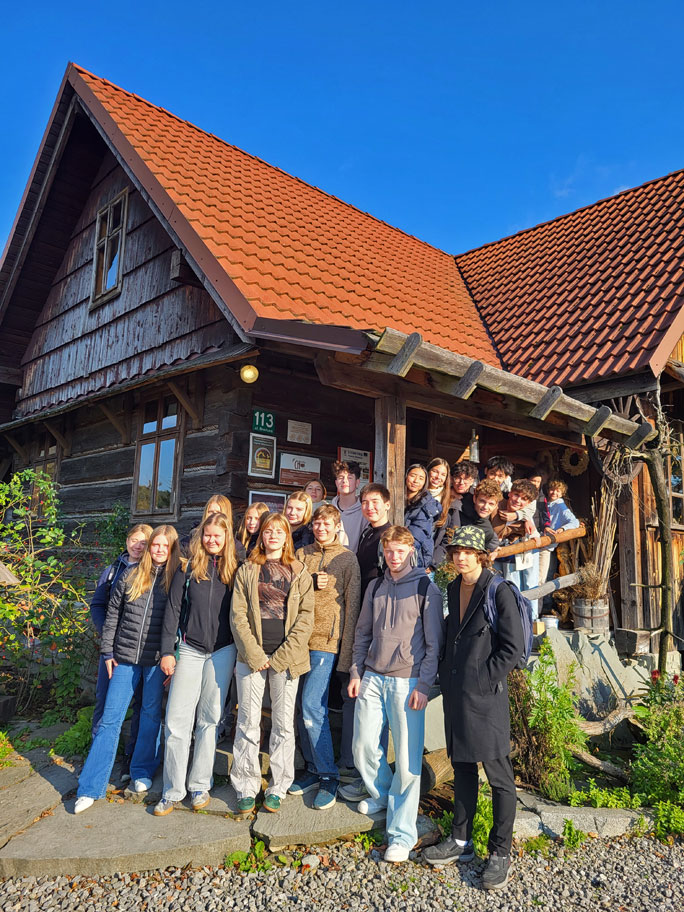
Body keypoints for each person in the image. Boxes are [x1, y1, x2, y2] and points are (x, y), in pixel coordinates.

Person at [423, 526, 524, 891]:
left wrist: (482, 679)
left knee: (499, 777)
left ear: (480, 555)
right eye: (456, 551)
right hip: (456, 695)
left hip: (485, 698)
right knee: (462, 768)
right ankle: (461, 840)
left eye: (467, 551)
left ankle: (500, 852)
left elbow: (512, 647)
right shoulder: (453, 588)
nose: (461, 557)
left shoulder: (498, 590)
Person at [348, 526, 445, 863]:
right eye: (389, 550)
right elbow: (362, 632)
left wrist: (423, 685)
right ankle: (381, 794)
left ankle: (402, 835)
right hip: (372, 676)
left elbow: (434, 645)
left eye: (400, 551)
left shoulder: (426, 588)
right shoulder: (375, 586)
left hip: (407, 681)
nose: (394, 556)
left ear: (410, 552)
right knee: (362, 746)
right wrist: (356, 672)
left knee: (406, 760)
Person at [75, 526, 181, 813]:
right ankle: (90, 787)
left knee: (150, 715)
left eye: (165, 546)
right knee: (111, 718)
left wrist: (172, 656)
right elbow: (112, 615)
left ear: (172, 549)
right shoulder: (130, 575)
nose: (159, 550)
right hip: (123, 658)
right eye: (155, 545)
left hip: (155, 660)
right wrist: (108, 652)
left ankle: (142, 771)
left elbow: (177, 622)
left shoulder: (175, 580)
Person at [153, 512, 239, 815]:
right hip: (189, 649)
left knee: (210, 719)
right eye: (208, 535)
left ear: (227, 538)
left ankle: (200, 784)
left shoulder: (235, 569)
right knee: (177, 720)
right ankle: (172, 790)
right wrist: (167, 651)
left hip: (223, 651)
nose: (212, 540)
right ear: (201, 537)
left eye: (218, 536)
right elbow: (173, 611)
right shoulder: (187, 568)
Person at [230, 513, 314, 815]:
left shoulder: (300, 572)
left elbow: (306, 618)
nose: (274, 535)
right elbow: (238, 615)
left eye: (279, 531)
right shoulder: (248, 569)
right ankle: (245, 786)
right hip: (251, 657)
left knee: (282, 724)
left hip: (287, 660)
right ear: (262, 536)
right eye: (268, 530)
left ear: (287, 536)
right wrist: (254, 654)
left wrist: (280, 658)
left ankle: (278, 787)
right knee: (248, 722)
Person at [290, 504, 361, 809]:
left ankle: (329, 774)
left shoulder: (347, 558)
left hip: (326, 641)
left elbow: (353, 606)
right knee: (299, 707)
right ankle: (312, 768)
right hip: (298, 639)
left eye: (327, 524)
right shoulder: (301, 554)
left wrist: (347, 656)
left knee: (312, 705)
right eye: (317, 524)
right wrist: (308, 579)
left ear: (336, 526)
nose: (321, 528)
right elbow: (289, 591)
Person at [89, 523, 152, 780]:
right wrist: (108, 635)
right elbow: (98, 605)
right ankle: (97, 756)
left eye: (144, 542)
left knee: (140, 705)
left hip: (140, 650)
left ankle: (130, 757)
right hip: (112, 648)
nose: (138, 545)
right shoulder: (113, 570)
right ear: (127, 541)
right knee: (105, 702)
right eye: (134, 540)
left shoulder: (152, 572)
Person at [492, 479, 541, 615]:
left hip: (516, 554)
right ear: (510, 493)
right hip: (495, 553)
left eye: (524, 499)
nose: (518, 500)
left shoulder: (526, 516)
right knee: (497, 584)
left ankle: (525, 616)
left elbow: (534, 534)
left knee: (517, 584)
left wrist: (532, 532)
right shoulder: (497, 507)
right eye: (516, 495)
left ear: (528, 503)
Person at [432, 461, 479, 570]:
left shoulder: (476, 497)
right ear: (452, 479)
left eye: (466, 479)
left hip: (470, 548)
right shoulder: (443, 495)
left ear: (472, 480)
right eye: (458, 478)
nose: (461, 482)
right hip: (444, 548)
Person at [404, 464, 441, 569]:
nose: (416, 481)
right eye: (413, 476)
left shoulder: (427, 505)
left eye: (421, 478)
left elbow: (416, 536)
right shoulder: (398, 498)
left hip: (415, 555)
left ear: (425, 482)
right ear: (406, 476)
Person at [331, 460, 368, 552]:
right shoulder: (329, 510)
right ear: (336, 483)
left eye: (350, 478)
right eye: (341, 477)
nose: (344, 481)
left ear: (357, 483)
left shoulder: (365, 512)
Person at [459, 479, 502, 553]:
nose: (485, 507)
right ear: (474, 498)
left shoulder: (487, 529)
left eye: (491, 504)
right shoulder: (458, 507)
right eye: (482, 501)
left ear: (496, 505)